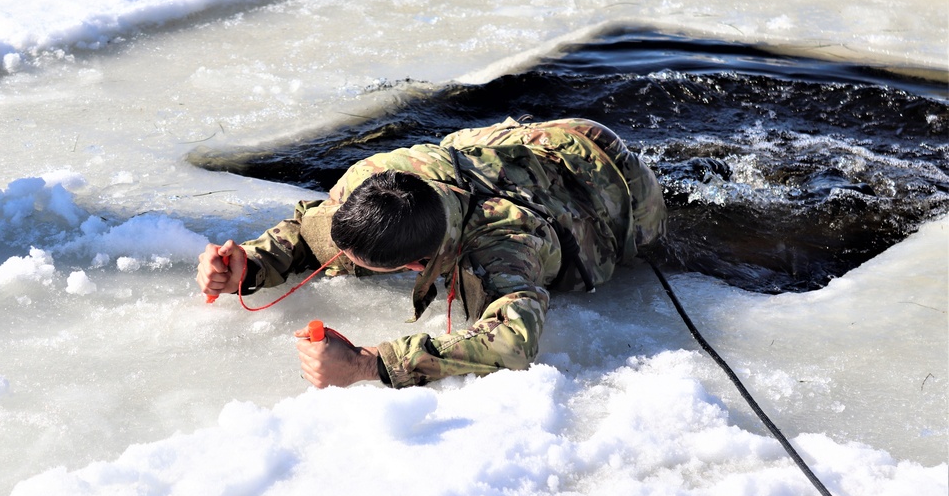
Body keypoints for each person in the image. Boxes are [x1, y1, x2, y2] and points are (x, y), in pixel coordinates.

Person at [196, 116, 667, 389]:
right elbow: (312, 230)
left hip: (617, 188)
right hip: (523, 144)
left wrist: (368, 362)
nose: (335, 263)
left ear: (416, 266)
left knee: (650, 242)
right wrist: (252, 263)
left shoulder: (503, 243)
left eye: (353, 265)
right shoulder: (377, 178)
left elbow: (513, 341)